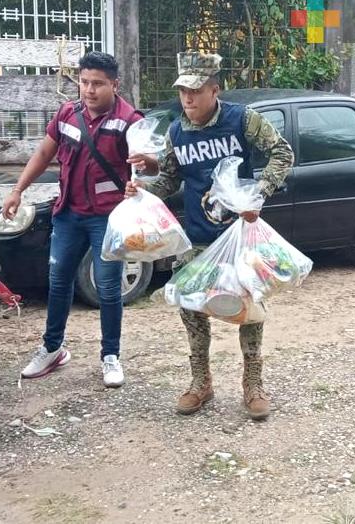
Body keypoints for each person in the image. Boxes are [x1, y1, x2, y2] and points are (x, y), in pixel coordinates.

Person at [126, 51, 294, 419]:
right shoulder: (176, 131)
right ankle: (200, 383)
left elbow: (283, 152)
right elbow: (170, 178)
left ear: (214, 90)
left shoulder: (241, 119)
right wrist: (142, 192)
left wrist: (259, 192)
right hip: (197, 237)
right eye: (183, 90)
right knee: (192, 310)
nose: (188, 98)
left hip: (240, 235)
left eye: (196, 91)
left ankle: (253, 385)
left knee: (249, 310)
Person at [2, 51, 142, 387]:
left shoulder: (130, 121)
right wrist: (17, 189)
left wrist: (145, 168)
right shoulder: (68, 113)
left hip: (108, 218)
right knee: (59, 280)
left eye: (98, 83)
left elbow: (150, 165)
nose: (89, 90)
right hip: (68, 212)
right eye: (84, 82)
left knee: (108, 289)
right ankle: (52, 349)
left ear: (114, 85)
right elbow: (43, 153)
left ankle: (111, 356)